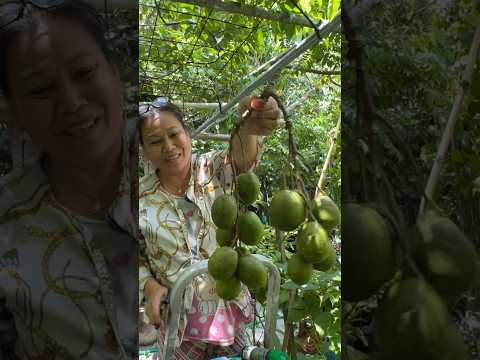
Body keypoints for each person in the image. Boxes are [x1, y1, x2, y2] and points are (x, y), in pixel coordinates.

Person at [0, 1, 137, 358]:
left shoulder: (161, 157)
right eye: (40, 90)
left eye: (84, 72)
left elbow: (229, 165)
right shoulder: (7, 218)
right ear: (14, 111)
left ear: (114, 73)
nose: (72, 102)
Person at [138, 98, 282, 359]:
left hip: (227, 313)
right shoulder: (138, 199)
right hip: (177, 325)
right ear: (144, 150)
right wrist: (148, 285)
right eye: (156, 141)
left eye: (174, 134)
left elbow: (241, 161)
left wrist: (249, 127)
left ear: (186, 134)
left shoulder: (212, 169)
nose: (169, 147)